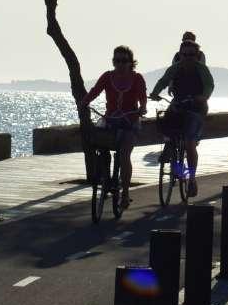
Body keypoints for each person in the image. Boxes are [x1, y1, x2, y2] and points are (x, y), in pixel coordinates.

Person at [80, 45, 147, 210]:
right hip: (110, 120)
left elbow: (142, 97)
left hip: (130, 121)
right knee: (100, 145)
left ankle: (125, 194)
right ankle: (105, 177)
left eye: (124, 60)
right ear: (113, 62)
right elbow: (95, 91)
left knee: (124, 155)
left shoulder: (137, 78)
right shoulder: (107, 76)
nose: (120, 64)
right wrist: (84, 102)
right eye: (117, 61)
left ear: (131, 62)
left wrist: (142, 107)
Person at [150, 39, 214, 197]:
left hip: (196, 107)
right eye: (184, 55)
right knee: (167, 126)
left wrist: (203, 97)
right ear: (180, 55)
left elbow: (209, 85)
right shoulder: (175, 68)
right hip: (178, 104)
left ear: (197, 56)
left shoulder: (202, 69)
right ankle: (171, 154)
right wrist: (155, 92)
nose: (187, 58)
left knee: (189, 142)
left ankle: (191, 178)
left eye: (191, 55)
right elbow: (164, 81)